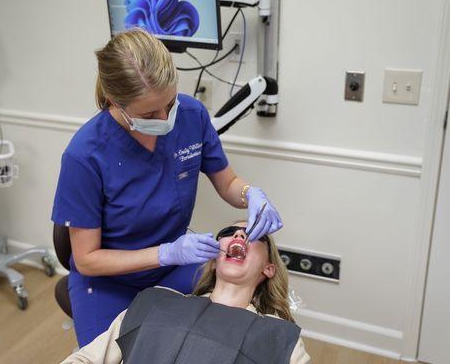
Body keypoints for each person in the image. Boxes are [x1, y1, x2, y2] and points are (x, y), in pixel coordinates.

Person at [52, 28, 283, 347]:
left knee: (222, 333)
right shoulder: (85, 155)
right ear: (115, 102)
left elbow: (227, 182)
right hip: (108, 282)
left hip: (174, 268)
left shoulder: (191, 115)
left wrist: (249, 194)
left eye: (170, 103)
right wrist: (166, 252)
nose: (166, 119)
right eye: (149, 113)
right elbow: (88, 258)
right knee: (114, 354)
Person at [60, 222, 310, 364]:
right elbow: (85, 360)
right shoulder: (154, 303)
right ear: (213, 258)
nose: (239, 234)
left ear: (268, 268)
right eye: (229, 231)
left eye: (254, 234)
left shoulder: (278, 338)